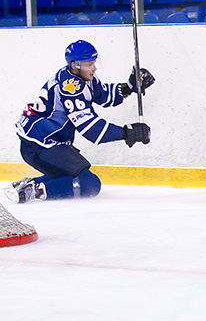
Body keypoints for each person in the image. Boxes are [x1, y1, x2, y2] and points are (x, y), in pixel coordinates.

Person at [4, 40, 155, 204]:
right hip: (40, 145)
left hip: (43, 141)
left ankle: (29, 185)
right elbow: (91, 129)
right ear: (74, 65)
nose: (94, 68)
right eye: (89, 64)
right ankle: (35, 190)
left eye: (94, 62)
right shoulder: (71, 87)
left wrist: (129, 87)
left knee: (71, 179)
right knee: (89, 184)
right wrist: (127, 133)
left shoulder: (79, 76)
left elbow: (103, 95)